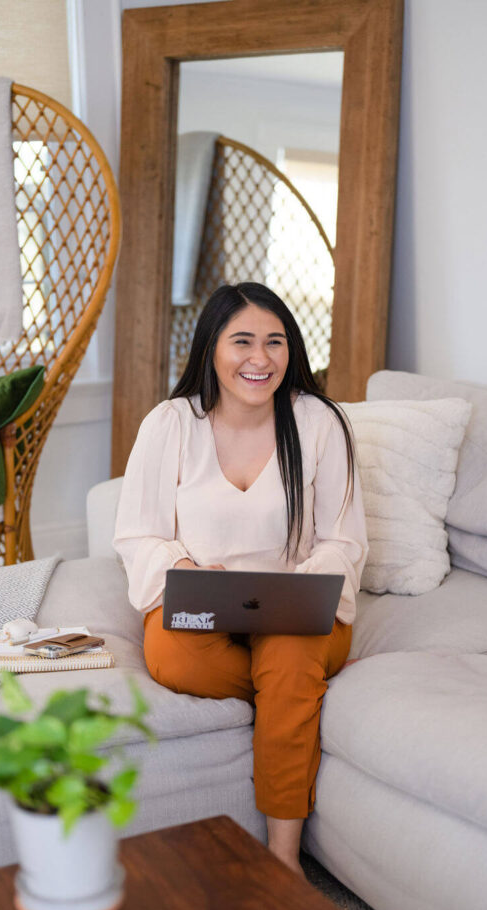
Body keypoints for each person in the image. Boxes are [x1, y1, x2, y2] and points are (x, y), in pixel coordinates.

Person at [113, 282, 368, 878]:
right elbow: (138, 534)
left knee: (288, 648)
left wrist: (301, 589)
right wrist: (185, 570)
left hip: (296, 611)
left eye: (276, 342)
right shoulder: (171, 423)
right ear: (211, 349)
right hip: (205, 603)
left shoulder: (319, 423)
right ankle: (290, 694)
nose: (261, 358)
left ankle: (282, 861)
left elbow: (344, 540)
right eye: (243, 341)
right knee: (173, 657)